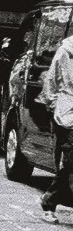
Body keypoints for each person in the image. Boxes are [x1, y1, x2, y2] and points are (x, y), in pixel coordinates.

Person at [37, 34, 73, 217]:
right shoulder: (66, 50)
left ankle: (51, 198)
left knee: (69, 162)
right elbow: (51, 80)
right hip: (67, 113)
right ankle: (50, 199)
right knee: (71, 158)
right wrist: (53, 106)